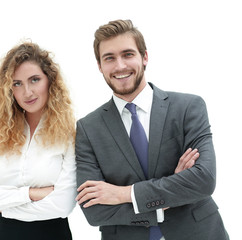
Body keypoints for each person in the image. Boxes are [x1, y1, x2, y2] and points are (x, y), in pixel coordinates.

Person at [75, 19, 229, 240]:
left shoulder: (188, 108)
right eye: (109, 58)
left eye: (128, 54)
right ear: (99, 66)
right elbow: (94, 210)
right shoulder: (88, 128)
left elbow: (203, 180)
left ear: (144, 57)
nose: (120, 66)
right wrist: (168, 198)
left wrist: (123, 194)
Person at [0, 41, 76, 240]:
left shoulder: (70, 135)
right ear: (9, 89)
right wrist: (33, 194)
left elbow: (63, 204)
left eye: (34, 80)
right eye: (17, 83)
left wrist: (1, 202)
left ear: (50, 81)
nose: (27, 92)